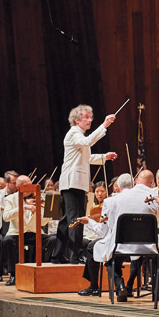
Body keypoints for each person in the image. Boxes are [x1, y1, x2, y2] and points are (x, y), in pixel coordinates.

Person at [74, 172, 159, 300]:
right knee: (119, 251)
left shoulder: (112, 201)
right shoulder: (153, 198)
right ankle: (127, 286)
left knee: (110, 257)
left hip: (120, 244)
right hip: (147, 245)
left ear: (117, 187)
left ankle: (119, 285)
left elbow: (103, 232)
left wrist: (90, 222)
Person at [57, 105, 117, 264]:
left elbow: (87, 159)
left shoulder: (79, 136)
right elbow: (88, 142)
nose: (90, 120)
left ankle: (57, 255)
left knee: (66, 220)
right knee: (76, 219)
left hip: (76, 182)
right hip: (72, 182)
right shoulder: (74, 133)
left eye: (91, 117)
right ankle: (75, 255)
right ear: (77, 120)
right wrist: (104, 125)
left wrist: (105, 157)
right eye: (86, 117)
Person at [1, 175, 52, 285]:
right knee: (7, 241)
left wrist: (37, 211)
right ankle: (14, 275)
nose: (31, 187)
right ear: (19, 187)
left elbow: (43, 222)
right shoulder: (10, 199)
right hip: (17, 232)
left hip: (34, 232)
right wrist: (23, 207)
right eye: (27, 185)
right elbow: (6, 216)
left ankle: (45, 271)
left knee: (53, 240)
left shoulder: (38, 197)